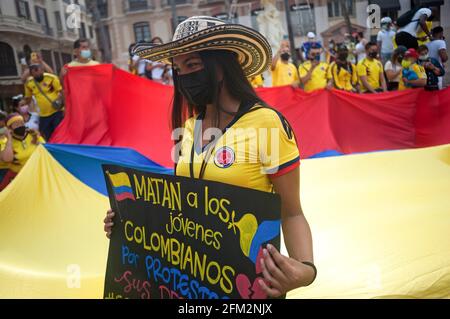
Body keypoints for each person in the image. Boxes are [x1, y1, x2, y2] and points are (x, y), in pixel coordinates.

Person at [106, 16, 316, 297]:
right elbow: (181, 205)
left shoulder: (266, 123)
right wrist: (127, 219)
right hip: (191, 283)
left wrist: (306, 270)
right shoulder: (188, 127)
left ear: (221, 65)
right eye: (178, 68)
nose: (184, 76)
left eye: (192, 64)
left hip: (248, 287)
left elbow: (292, 213)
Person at [0, 113, 45, 191]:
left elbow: (46, 150)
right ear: (10, 129)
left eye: (21, 123)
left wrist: (38, 142)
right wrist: (9, 139)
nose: (20, 126)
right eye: (16, 124)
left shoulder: (33, 135)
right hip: (18, 176)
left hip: (37, 172)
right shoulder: (5, 141)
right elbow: (7, 159)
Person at [24, 63, 63, 140]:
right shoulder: (29, 83)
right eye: (33, 72)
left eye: (37, 70)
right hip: (43, 115)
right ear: (31, 73)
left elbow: (61, 92)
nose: (36, 73)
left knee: (59, 133)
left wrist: (61, 103)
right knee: (47, 136)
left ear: (42, 70)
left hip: (56, 112)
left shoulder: (51, 78)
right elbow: (28, 98)